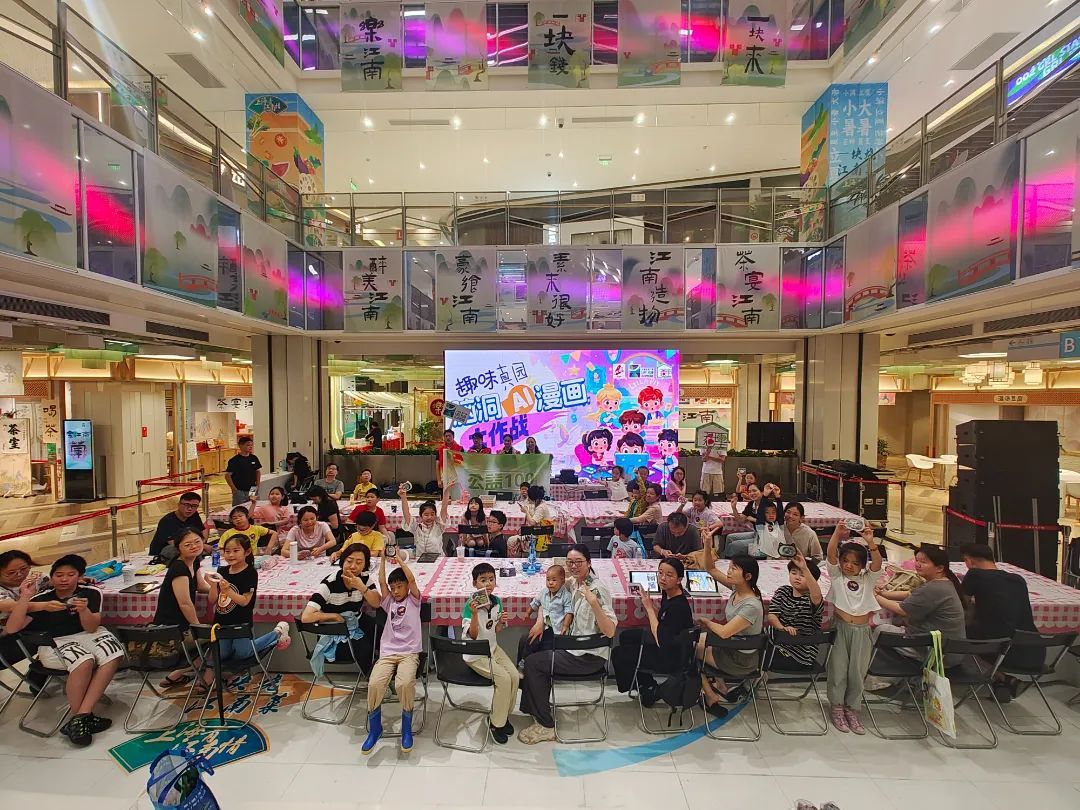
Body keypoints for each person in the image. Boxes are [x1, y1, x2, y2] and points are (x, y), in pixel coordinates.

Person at [5, 555, 124, 746]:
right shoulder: (41, 599)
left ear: (80, 576)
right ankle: (82, 718)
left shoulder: (91, 593)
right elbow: (12, 628)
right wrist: (25, 597)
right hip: (54, 642)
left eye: (70, 574)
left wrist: (83, 610)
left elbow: (91, 628)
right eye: (59, 575)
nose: (64, 579)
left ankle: (81, 717)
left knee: (113, 653)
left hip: (87, 635)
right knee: (84, 661)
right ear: (51, 577)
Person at [518, 544, 617, 744]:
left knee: (534, 664)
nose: (573, 566)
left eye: (578, 562)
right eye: (570, 562)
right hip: (570, 643)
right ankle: (535, 707)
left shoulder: (597, 589)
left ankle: (546, 726)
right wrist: (540, 621)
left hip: (587, 655)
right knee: (526, 640)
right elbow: (546, 597)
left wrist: (594, 603)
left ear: (589, 563)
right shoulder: (573, 582)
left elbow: (610, 632)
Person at [198, 535, 290, 687]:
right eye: (227, 551)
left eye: (236, 551)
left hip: (241, 622)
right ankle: (224, 675)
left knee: (243, 653)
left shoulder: (250, 573)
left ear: (247, 552)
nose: (230, 555)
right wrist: (213, 584)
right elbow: (212, 600)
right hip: (221, 623)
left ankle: (277, 633)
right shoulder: (222, 570)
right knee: (222, 653)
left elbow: (244, 601)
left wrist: (228, 590)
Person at [824, 522, 883, 735]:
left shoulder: (868, 579)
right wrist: (836, 534)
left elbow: (877, 563)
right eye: (845, 561)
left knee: (857, 672)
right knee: (838, 670)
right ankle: (837, 707)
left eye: (855, 563)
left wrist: (870, 542)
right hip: (841, 629)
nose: (849, 566)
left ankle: (852, 708)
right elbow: (831, 554)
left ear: (862, 565)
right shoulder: (837, 576)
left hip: (862, 631)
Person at [363, 551, 422, 754]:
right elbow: (381, 581)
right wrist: (382, 560)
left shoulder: (414, 600)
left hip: (409, 653)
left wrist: (399, 560)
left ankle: (406, 729)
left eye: (399, 586)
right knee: (374, 684)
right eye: (393, 588)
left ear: (406, 586)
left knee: (403, 684)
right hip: (388, 652)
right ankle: (375, 729)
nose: (396, 591)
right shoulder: (389, 603)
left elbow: (411, 579)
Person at [960, 543, 1040, 693]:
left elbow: (961, 604)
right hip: (1034, 651)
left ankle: (1001, 677)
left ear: (969, 561)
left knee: (956, 635)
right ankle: (1002, 682)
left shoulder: (974, 574)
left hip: (1002, 650)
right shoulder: (1018, 579)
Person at [612, 556, 695, 700]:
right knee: (626, 636)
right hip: (670, 642)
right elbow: (663, 618)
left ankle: (642, 685)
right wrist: (649, 604)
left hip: (671, 656)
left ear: (679, 580)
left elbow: (660, 640)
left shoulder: (678, 606)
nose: (662, 578)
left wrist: (649, 608)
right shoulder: (669, 593)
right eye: (660, 573)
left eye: (669, 575)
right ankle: (646, 683)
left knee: (618, 654)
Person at [874, 544, 968, 666]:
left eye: (923, 562)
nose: (917, 564)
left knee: (880, 630)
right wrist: (883, 594)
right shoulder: (943, 582)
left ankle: (876, 670)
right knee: (895, 623)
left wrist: (875, 597)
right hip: (950, 650)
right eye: (917, 560)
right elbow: (909, 594)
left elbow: (901, 610)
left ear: (939, 568)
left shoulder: (934, 588)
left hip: (938, 654)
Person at [697, 551, 764, 717]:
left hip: (740, 660)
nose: (728, 571)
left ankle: (710, 695)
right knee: (697, 638)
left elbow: (724, 632)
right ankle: (719, 684)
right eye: (729, 567)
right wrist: (707, 543)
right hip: (732, 647)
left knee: (687, 648)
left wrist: (706, 622)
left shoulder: (751, 605)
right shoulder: (737, 589)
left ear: (748, 576)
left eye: (734, 569)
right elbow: (710, 568)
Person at [462, 562, 520, 744]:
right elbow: (473, 635)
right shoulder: (470, 604)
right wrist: (474, 614)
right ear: (474, 583)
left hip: (493, 648)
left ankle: (502, 716)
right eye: (483, 580)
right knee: (504, 679)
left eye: (491, 579)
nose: (487, 583)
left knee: (515, 676)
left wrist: (501, 622)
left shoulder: (497, 602)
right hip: (475, 654)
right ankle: (496, 724)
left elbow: (496, 630)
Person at [155, 530, 212, 689]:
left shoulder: (194, 561)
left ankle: (176, 675)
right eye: (188, 544)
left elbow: (201, 586)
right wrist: (197, 627)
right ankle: (207, 680)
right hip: (172, 630)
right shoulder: (178, 568)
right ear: (178, 548)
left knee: (212, 634)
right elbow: (185, 603)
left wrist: (221, 590)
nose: (194, 546)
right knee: (217, 636)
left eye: (197, 541)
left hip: (181, 626)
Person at [0, 550, 53, 691]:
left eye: (24, 569)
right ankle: (41, 670)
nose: (20, 574)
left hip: (24, 631)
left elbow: (54, 582)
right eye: (11, 573)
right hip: (6, 643)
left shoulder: (35, 578)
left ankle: (44, 667)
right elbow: (14, 607)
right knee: (60, 628)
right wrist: (47, 605)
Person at [766, 554, 824, 670]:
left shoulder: (812, 600)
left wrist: (805, 568)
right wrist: (783, 629)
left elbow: (817, 595)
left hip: (799, 655)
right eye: (793, 573)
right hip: (776, 645)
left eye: (803, 575)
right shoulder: (783, 591)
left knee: (755, 656)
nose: (797, 577)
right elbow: (772, 615)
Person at [519, 564, 574, 663]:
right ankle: (524, 660)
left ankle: (533, 662)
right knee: (531, 639)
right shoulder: (544, 592)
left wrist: (565, 625)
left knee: (546, 645)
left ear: (562, 581)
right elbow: (535, 603)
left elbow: (568, 611)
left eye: (554, 580)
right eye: (548, 580)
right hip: (545, 626)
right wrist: (528, 613)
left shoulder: (566, 596)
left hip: (557, 629)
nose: (550, 583)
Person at [149, 491, 208, 556]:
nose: (190, 509)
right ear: (179, 504)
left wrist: (202, 543)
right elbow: (174, 544)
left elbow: (202, 530)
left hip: (185, 548)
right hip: (163, 553)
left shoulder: (194, 515)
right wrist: (202, 546)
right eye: (186, 505)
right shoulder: (167, 521)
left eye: (194, 506)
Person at [400, 485, 450, 558]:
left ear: (436, 515)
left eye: (432, 514)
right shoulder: (416, 527)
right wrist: (403, 497)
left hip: (438, 559)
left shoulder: (439, 526)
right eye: (426, 515)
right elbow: (406, 514)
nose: (429, 517)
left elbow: (444, 508)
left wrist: (446, 491)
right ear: (421, 516)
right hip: (419, 559)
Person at [722, 485, 771, 557]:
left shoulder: (769, 505)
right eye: (750, 491)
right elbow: (740, 520)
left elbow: (770, 524)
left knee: (734, 545)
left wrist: (753, 519)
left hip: (765, 537)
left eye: (754, 491)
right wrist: (734, 508)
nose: (752, 493)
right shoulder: (751, 504)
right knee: (729, 537)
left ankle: (729, 559)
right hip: (756, 533)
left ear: (762, 492)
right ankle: (725, 558)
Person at [225, 436, 262, 506]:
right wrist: (234, 489)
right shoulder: (234, 460)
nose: (250, 447)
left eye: (251, 445)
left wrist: (257, 485)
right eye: (248, 445)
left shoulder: (253, 458)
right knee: (240, 509)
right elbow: (227, 475)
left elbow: (258, 471)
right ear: (240, 446)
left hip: (253, 488)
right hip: (240, 490)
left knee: (254, 507)